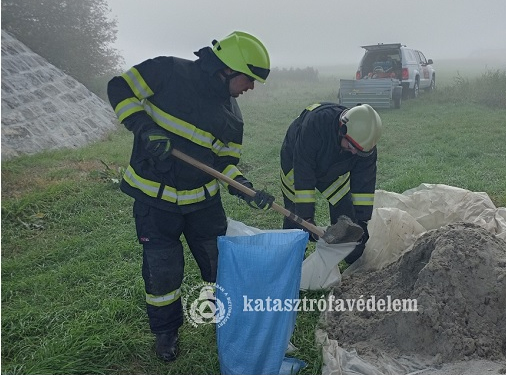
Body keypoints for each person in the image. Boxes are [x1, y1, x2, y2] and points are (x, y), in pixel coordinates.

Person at [106, 31, 274, 362]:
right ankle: (166, 334)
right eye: (248, 79)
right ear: (226, 68)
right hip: (156, 202)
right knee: (163, 273)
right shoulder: (167, 71)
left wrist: (247, 189)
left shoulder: (233, 117)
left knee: (218, 264)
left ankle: (218, 315)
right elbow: (119, 88)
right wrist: (143, 127)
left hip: (203, 204)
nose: (250, 88)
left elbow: (225, 164)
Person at [280, 103, 382, 264]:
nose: (355, 153)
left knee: (347, 214)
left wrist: (362, 221)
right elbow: (303, 171)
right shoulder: (316, 124)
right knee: (295, 218)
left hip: (332, 168)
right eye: (351, 146)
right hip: (296, 161)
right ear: (341, 130)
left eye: (360, 151)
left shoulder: (363, 145)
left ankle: (350, 259)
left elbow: (364, 182)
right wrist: (306, 217)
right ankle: (293, 261)